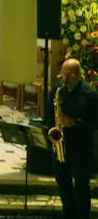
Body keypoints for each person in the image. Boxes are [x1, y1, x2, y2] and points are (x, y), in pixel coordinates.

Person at [46, 58, 98, 219]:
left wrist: (75, 122)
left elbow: (95, 122)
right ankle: (68, 213)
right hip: (62, 144)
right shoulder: (58, 89)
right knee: (62, 180)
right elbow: (49, 112)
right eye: (62, 73)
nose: (63, 77)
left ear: (77, 75)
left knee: (81, 184)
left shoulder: (89, 93)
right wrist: (52, 128)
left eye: (67, 74)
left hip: (81, 146)